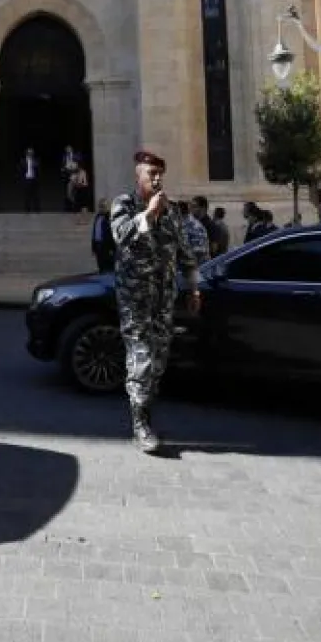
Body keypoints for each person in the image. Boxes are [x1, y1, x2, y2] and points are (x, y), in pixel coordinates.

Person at [109, 150, 200, 455]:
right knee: (142, 356)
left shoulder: (173, 211)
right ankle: (141, 424)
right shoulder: (124, 204)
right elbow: (121, 235)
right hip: (135, 299)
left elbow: (185, 251)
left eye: (160, 173)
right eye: (151, 174)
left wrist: (193, 288)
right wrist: (148, 214)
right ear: (139, 176)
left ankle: (146, 410)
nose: (157, 178)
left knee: (159, 359)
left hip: (163, 299)